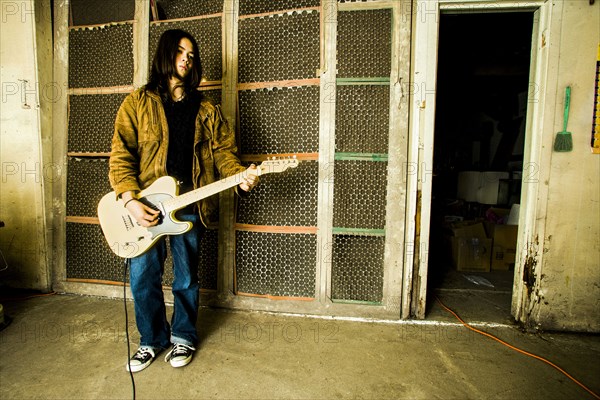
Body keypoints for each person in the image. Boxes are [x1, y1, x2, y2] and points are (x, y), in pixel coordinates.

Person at [109, 29, 258, 372]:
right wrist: (131, 200)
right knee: (143, 279)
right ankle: (151, 341)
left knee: (186, 279)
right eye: (180, 51)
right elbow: (120, 154)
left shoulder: (206, 109)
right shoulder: (136, 103)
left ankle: (183, 338)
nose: (186, 59)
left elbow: (225, 153)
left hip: (189, 204)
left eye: (191, 54)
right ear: (165, 54)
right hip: (146, 206)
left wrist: (241, 177)